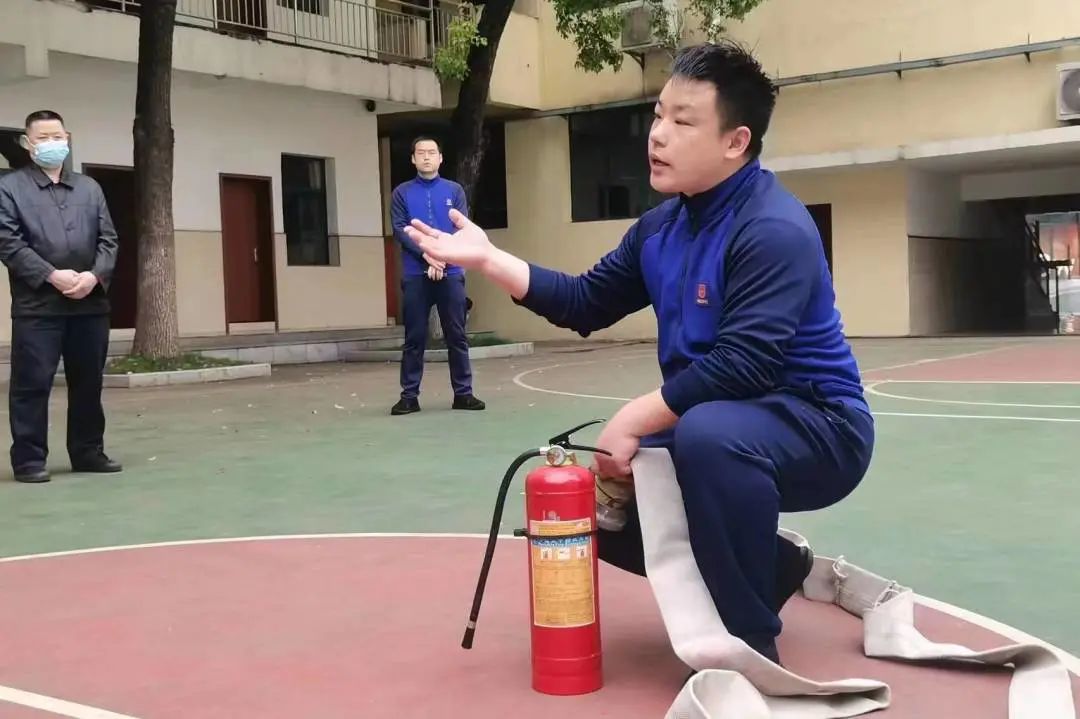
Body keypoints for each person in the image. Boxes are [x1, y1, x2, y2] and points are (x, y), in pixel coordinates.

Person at [404, 42, 875, 666]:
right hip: (719, 418)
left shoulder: (773, 228)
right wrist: (490, 259)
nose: (658, 134)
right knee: (590, 506)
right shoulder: (661, 229)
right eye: (657, 115)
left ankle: (749, 647)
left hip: (821, 427)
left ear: (735, 142)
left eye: (683, 121)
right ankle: (774, 565)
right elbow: (583, 301)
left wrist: (633, 419)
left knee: (703, 437)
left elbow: (746, 364)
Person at [0, 110, 121, 483]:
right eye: (43, 138)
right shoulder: (10, 187)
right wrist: (51, 275)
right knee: (32, 385)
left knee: (88, 383)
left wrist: (94, 276)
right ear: (27, 143)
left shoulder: (89, 188)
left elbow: (108, 239)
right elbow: (8, 241)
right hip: (38, 307)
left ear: (67, 138)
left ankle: (88, 452)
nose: (51, 143)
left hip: (89, 304)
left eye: (57, 136)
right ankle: (29, 460)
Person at [388, 136, 485, 416]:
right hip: (415, 273)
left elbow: (460, 228)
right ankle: (409, 397)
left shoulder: (454, 190)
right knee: (414, 337)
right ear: (413, 159)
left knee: (457, 335)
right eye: (421, 153)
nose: (426, 157)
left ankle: (463, 394)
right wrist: (426, 256)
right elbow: (400, 229)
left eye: (432, 152)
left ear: (441, 158)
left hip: (451, 271)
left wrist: (442, 258)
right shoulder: (402, 192)